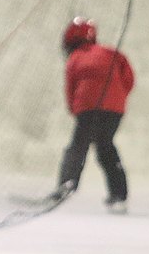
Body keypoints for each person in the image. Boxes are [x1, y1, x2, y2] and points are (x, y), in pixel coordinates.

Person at [53, 17, 134, 212]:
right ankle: (119, 195)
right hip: (114, 109)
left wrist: (75, 107)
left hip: (88, 107)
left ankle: (66, 185)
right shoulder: (111, 52)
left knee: (78, 147)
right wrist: (118, 99)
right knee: (105, 147)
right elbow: (129, 78)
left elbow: (70, 87)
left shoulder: (75, 58)